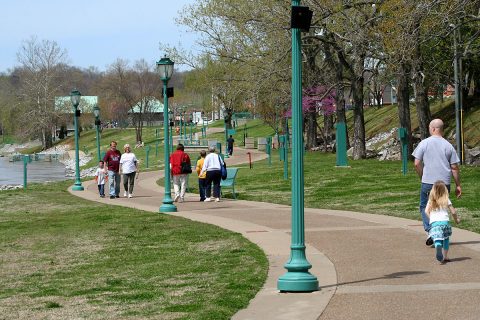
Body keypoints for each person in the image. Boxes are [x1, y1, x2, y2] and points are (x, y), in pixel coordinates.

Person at [412, 118, 461, 246]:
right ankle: (439, 231)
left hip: (428, 181)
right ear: (442, 129)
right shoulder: (448, 145)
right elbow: (454, 167)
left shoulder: (424, 143)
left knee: (425, 206)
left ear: (433, 129)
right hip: (444, 182)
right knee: (442, 207)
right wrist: (458, 185)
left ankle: (430, 230)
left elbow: (417, 163)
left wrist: (422, 175)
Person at [426, 181, 460, 262]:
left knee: (437, 238)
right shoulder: (446, 199)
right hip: (445, 222)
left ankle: (438, 245)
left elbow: (426, 211)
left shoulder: (431, 200)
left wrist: (431, 219)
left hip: (435, 223)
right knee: (446, 238)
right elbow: (453, 212)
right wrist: (457, 220)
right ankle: (445, 256)